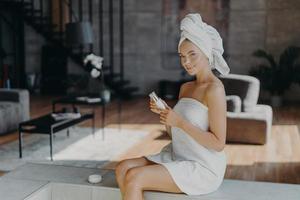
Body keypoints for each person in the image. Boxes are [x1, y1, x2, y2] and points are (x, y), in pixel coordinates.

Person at [115, 13, 229, 199]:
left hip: (202, 167)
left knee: (134, 177)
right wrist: (166, 115)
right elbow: (175, 133)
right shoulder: (185, 88)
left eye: (192, 54)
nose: (186, 62)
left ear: (206, 52)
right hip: (178, 156)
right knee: (122, 168)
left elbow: (218, 144)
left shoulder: (215, 90)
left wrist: (179, 121)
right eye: (182, 56)